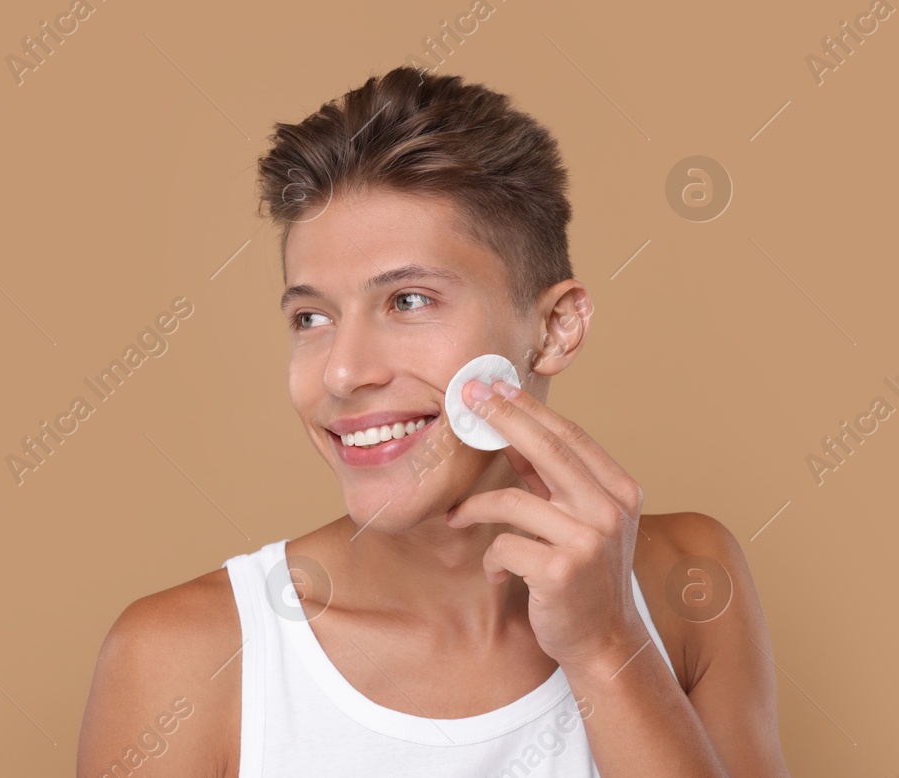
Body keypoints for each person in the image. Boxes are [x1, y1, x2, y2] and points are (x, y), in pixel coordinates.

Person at [75, 67, 789, 776]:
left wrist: (608, 648)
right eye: (311, 317)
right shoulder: (186, 658)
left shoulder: (690, 582)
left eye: (409, 301)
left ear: (555, 329)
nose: (344, 372)